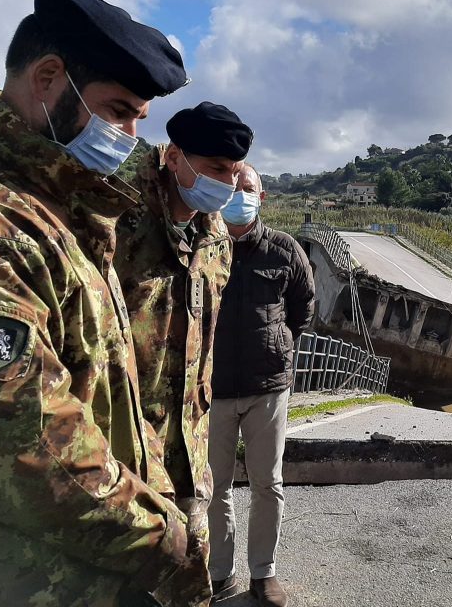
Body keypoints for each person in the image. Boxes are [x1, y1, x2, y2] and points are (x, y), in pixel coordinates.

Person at [0, 0, 196, 606]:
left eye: (139, 119)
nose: (131, 137)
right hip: (14, 580)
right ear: (49, 78)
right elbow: (22, 440)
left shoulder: (53, 210)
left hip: (77, 569)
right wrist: (165, 541)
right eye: (118, 111)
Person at [115, 102, 252, 606]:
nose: (227, 184)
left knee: (186, 586)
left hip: (190, 452)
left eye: (234, 173)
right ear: (174, 157)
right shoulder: (117, 218)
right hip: (122, 452)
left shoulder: (215, 235)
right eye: (216, 169)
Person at [207, 164, 315, 606]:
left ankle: (263, 573)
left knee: (267, 483)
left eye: (247, 188)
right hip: (210, 389)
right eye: (231, 187)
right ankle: (218, 572)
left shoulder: (284, 250)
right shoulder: (202, 244)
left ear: (262, 196)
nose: (239, 195)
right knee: (213, 486)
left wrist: (277, 345)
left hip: (267, 386)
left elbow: (303, 309)